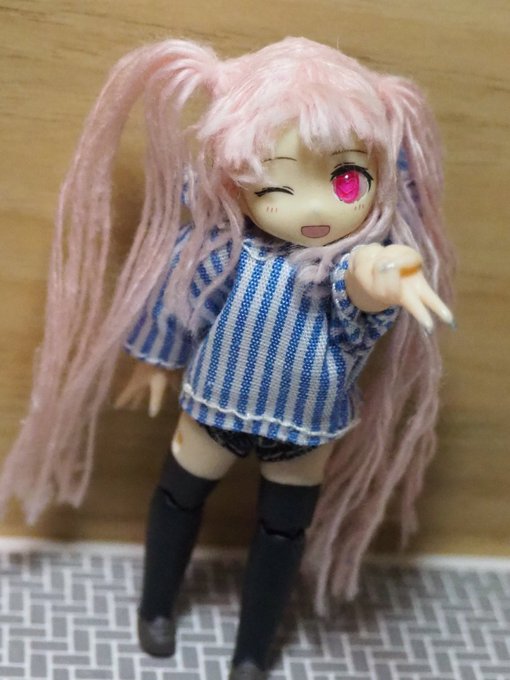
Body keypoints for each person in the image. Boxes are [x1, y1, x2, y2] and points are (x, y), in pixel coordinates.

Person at [0, 38, 455, 679]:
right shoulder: (223, 251)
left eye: (347, 179)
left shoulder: (341, 265)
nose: (314, 208)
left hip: (304, 429)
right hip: (215, 405)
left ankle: (252, 650)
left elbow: (361, 285)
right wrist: (157, 362)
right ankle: (156, 607)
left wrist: (386, 272)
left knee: (282, 532)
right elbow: (182, 300)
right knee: (179, 496)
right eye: (276, 182)